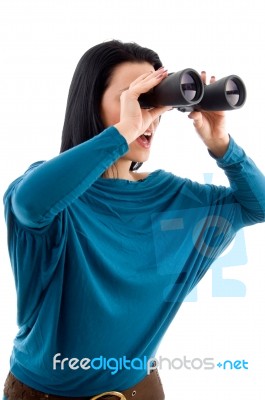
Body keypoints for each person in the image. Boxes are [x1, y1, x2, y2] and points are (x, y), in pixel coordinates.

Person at [2, 39, 265, 400]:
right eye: (135, 98)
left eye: (157, 101)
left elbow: (258, 206)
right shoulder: (48, 192)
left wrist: (222, 144)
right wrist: (122, 132)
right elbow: (30, 204)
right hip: (44, 393)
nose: (148, 117)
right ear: (91, 105)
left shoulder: (174, 199)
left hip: (141, 391)